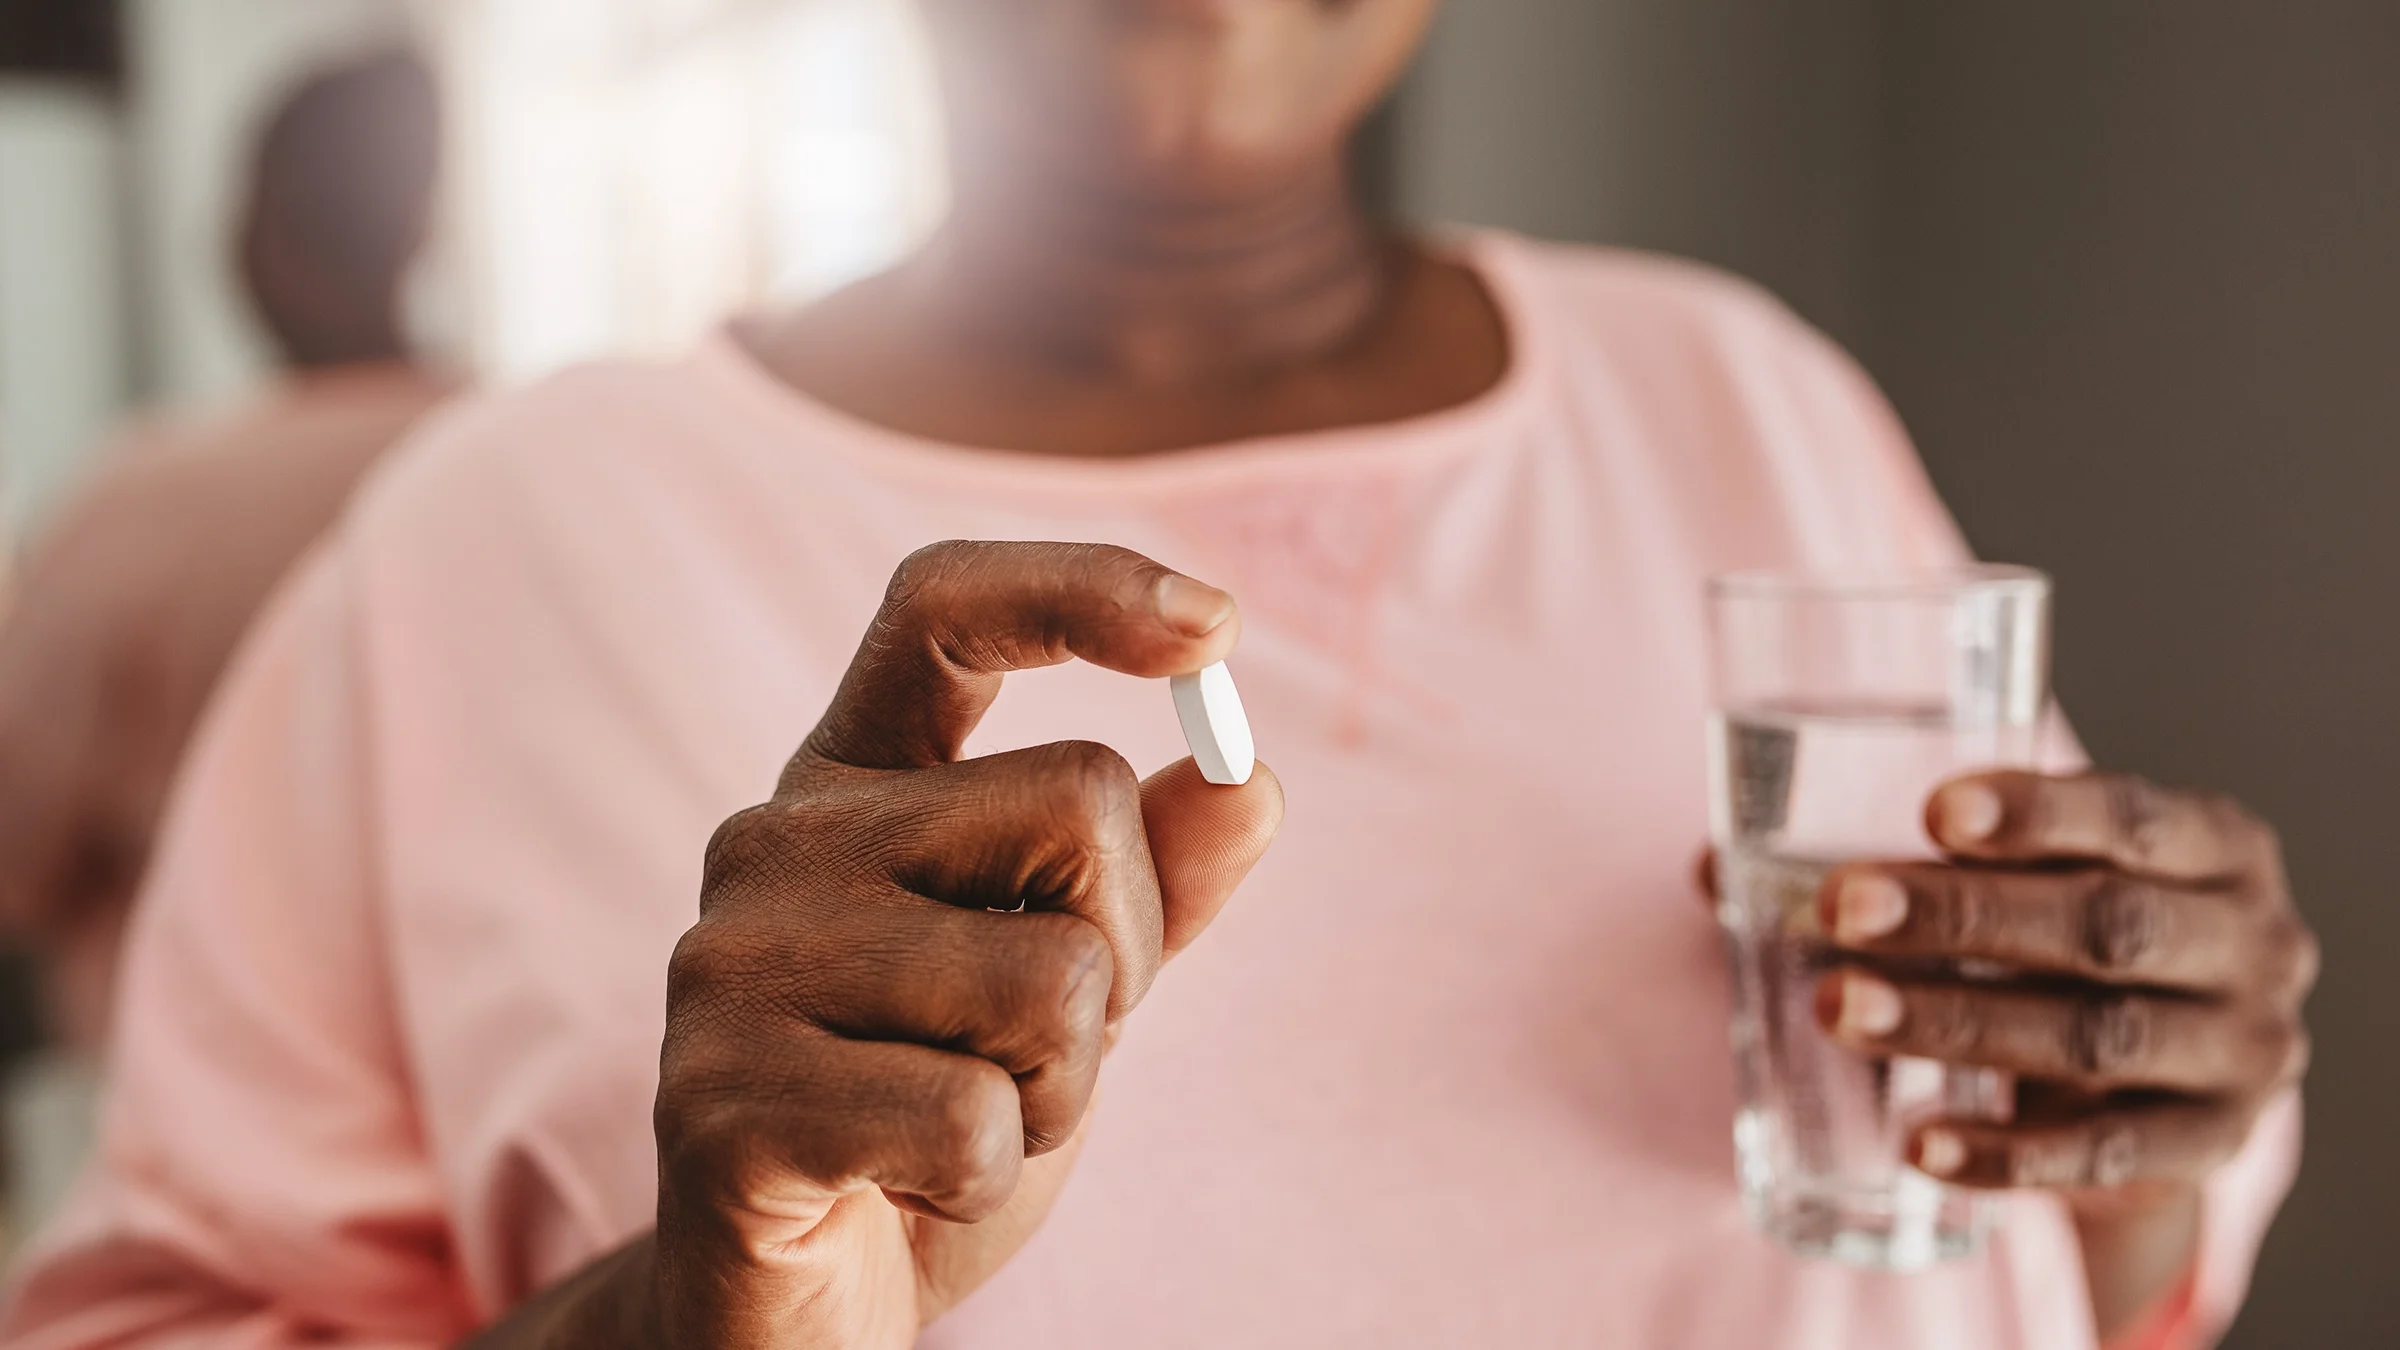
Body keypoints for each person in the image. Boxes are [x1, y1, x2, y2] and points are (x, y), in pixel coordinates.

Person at [1, 4, 2311, 1348]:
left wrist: (2137, 1110)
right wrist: (675, 1314)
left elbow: (2072, 1240)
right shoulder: (493, 542)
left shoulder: (1745, 401)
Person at [0, 48, 448, 1051]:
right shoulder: (533, 455)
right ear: (424, 227)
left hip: (191, 1108)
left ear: (259, 235)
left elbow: (14, 851)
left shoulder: (140, 503)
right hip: (488, 1097)